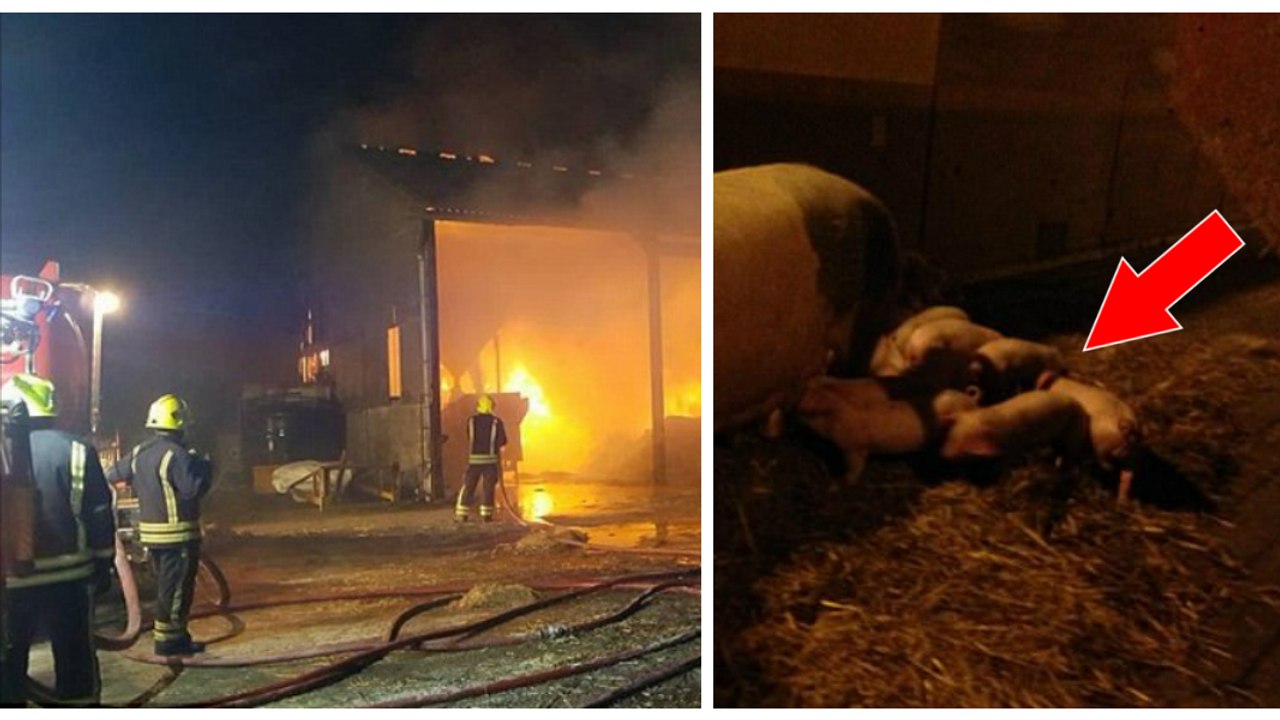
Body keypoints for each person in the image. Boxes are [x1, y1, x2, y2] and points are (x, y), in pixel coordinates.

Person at [0, 374, 115, 707]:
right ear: (52, 405)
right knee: (74, 656)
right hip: (69, 579)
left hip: (11, 584)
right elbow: (97, 511)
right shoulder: (77, 449)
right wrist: (103, 563)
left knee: (9, 662)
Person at [107, 394, 211, 656]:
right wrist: (203, 467)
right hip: (179, 536)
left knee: (165, 586)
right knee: (177, 589)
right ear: (180, 423)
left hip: (151, 536)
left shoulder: (140, 452)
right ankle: (170, 641)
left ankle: (170, 635)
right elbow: (192, 490)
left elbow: (112, 475)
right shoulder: (179, 455)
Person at [454, 394, 507, 523]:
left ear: (478, 406)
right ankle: (486, 516)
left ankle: (462, 514)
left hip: (474, 461)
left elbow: (469, 437)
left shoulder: (471, 421)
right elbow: (502, 441)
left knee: (469, 486)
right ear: (492, 407)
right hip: (490, 461)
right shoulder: (496, 422)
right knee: (488, 488)